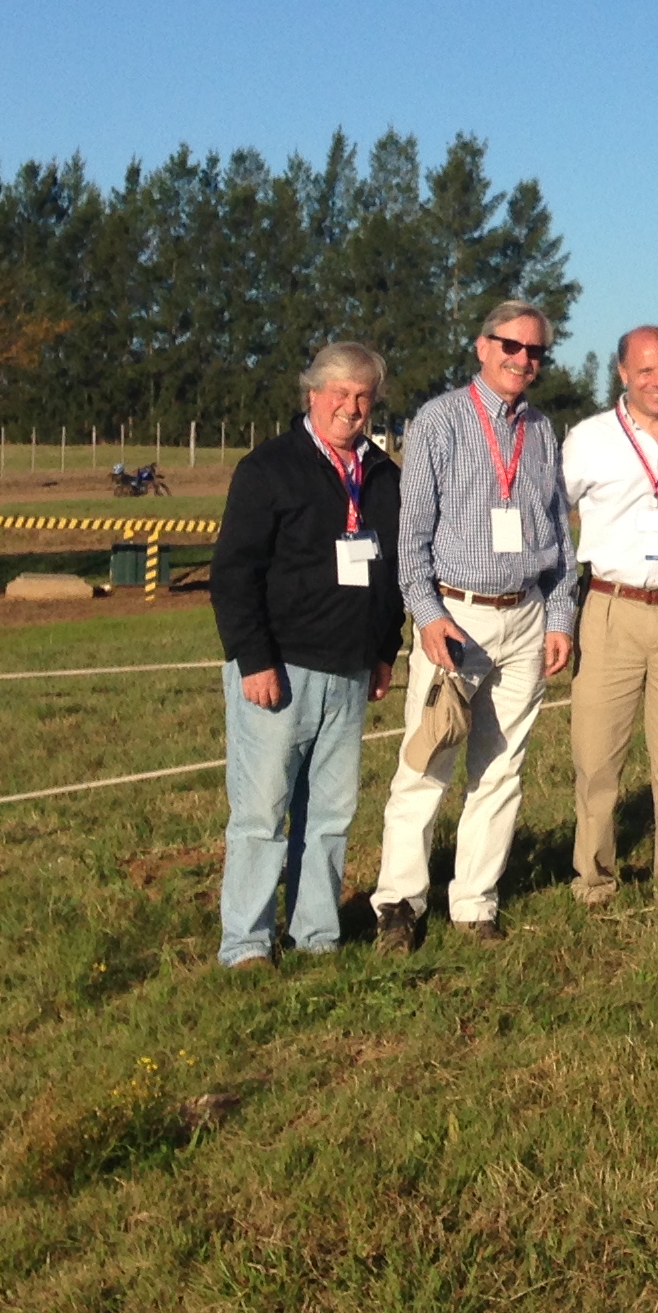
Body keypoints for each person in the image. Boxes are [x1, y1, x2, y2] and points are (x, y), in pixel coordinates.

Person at [371, 298, 576, 947]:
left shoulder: (541, 430)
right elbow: (411, 538)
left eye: (535, 351)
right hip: (456, 620)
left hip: (526, 617)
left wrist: (560, 616)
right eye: (510, 346)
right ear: (483, 346)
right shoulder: (440, 420)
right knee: (427, 763)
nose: (523, 359)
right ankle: (399, 905)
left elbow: (560, 536)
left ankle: (475, 903)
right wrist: (429, 617)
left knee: (501, 770)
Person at [208, 341, 405, 968]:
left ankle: (316, 936)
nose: (351, 407)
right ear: (312, 394)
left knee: (330, 814)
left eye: (363, 396)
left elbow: (392, 573)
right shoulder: (269, 468)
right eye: (339, 393)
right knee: (262, 813)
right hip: (280, 670)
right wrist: (253, 659)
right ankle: (246, 943)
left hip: (350, 672)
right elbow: (233, 574)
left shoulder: (383, 475)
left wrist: (384, 650)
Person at [561, 324, 658, 906]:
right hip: (611, 608)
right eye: (646, 370)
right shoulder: (589, 438)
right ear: (623, 373)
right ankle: (594, 880)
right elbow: (553, 514)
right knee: (597, 761)